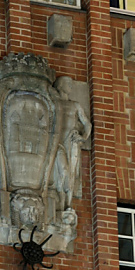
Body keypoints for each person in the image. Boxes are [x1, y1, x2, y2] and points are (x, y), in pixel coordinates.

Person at [53, 77, 92, 211]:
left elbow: (87, 124)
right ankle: (59, 200)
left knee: (71, 172)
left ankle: (67, 205)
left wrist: (83, 137)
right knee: (62, 171)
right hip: (58, 143)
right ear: (60, 86)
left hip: (71, 141)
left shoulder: (75, 105)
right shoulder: (54, 103)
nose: (70, 86)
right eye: (67, 83)